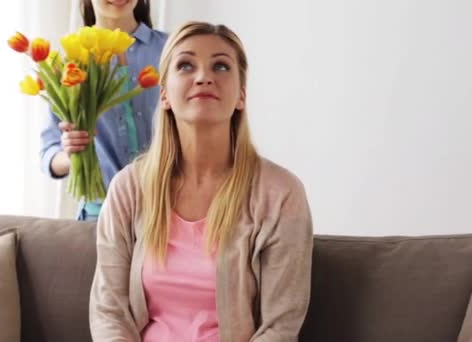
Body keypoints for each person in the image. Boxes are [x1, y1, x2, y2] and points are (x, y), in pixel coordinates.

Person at [89, 21, 314, 341]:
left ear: (241, 96)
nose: (203, 76)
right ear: (164, 95)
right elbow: (108, 311)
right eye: (185, 65)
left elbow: (281, 324)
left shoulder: (280, 194)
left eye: (221, 65)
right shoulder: (129, 189)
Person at [39, 0, 168, 221]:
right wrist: (71, 155)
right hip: (100, 217)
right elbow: (49, 154)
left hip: (167, 210)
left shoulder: (172, 50)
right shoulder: (71, 61)